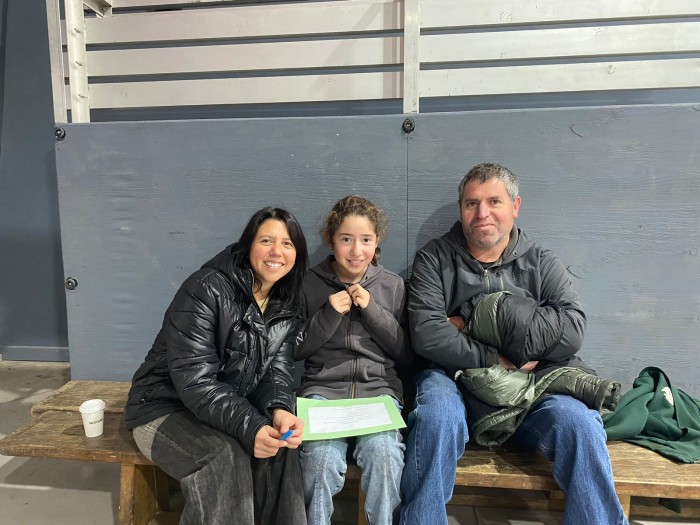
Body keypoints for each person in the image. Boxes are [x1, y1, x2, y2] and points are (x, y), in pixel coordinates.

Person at [400, 163, 629, 525]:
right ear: (461, 209)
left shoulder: (542, 263)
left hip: (533, 385)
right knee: (435, 416)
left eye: (494, 201)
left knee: (580, 423)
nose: (482, 213)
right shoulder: (434, 258)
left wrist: (468, 322)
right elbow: (427, 333)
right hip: (454, 379)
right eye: (472, 203)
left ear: (515, 206)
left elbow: (571, 331)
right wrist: (494, 356)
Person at [124, 207, 309, 525]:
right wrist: (251, 425)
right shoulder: (206, 289)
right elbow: (196, 382)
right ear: (248, 245)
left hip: (224, 407)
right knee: (223, 458)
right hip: (163, 407)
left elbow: (276, 372)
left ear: (297, 254)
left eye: (287, 243)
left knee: (282, 445)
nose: (277, 252)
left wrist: (279, 409)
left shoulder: (286, 302)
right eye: (266, 240)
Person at [294, 195, 411, 525]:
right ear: (330, 240)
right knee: (318, 461)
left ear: (377, 242)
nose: (356, 250)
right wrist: (329, 314)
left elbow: (404, 352)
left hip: (378, 393)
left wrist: (372, 310)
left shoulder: (392, 285)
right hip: (323, 394)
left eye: (366, 240)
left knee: (385, 457)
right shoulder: (308, 284)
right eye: (346, 239)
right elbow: (296, 349)